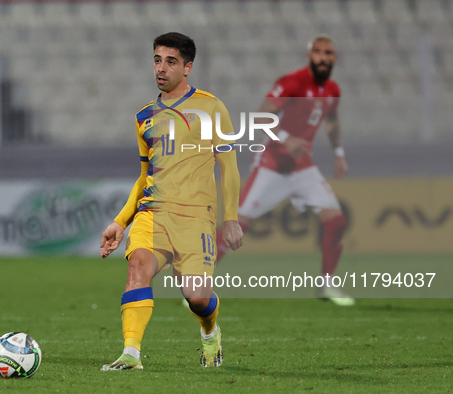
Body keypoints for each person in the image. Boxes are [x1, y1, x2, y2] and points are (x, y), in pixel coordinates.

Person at [99, 32, 244, 371]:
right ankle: (130, 355)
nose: (161, 68)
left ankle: (211, 333)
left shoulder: (211, 107)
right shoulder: (143, 117)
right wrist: (120, 222)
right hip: (153, 215)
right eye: (157, 60)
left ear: (188, 67)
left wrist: (232, 218)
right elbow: (143, 177)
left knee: (197, 297)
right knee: (137, 270)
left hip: (196, 219)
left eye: (171, 61)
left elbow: (229, 167)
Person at [215, 35, 354, 306]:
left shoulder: (332, 90)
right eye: (318, 52)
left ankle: (326, 285)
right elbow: (260, 116)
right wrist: (287, 138)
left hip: (303, 169)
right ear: (309, 55)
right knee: (236, 225)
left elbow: (332, 122)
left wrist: (339, 154)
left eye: (329, 53)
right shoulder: (292, 82)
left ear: (334, 58)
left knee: (336, 222)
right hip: (273, 166)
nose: (324, 58)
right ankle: (199, 284)